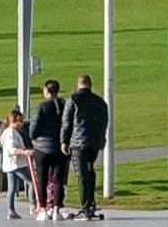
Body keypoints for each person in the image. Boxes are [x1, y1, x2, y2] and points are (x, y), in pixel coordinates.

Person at [67, 73, 112, 212]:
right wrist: (101, 138)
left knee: (81, 174)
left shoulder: (73, 99)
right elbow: (105, 121)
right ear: (90, 85)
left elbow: (66, 122)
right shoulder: (100, 101)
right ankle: (91, 202)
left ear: (78, 84)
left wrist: (64, 141)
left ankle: (85, 206)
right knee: (90, 170)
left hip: (78, 143)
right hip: (94, 143)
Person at [29, 77, 68, 215]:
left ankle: (43, 209)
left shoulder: (42, 107)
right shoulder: (65, 105)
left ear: (47, 91)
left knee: (42, 180)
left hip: (42, 149)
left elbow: (33, 128)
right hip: (60, 148)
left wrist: (34, 137)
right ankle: (57, 209)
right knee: (58, 180)